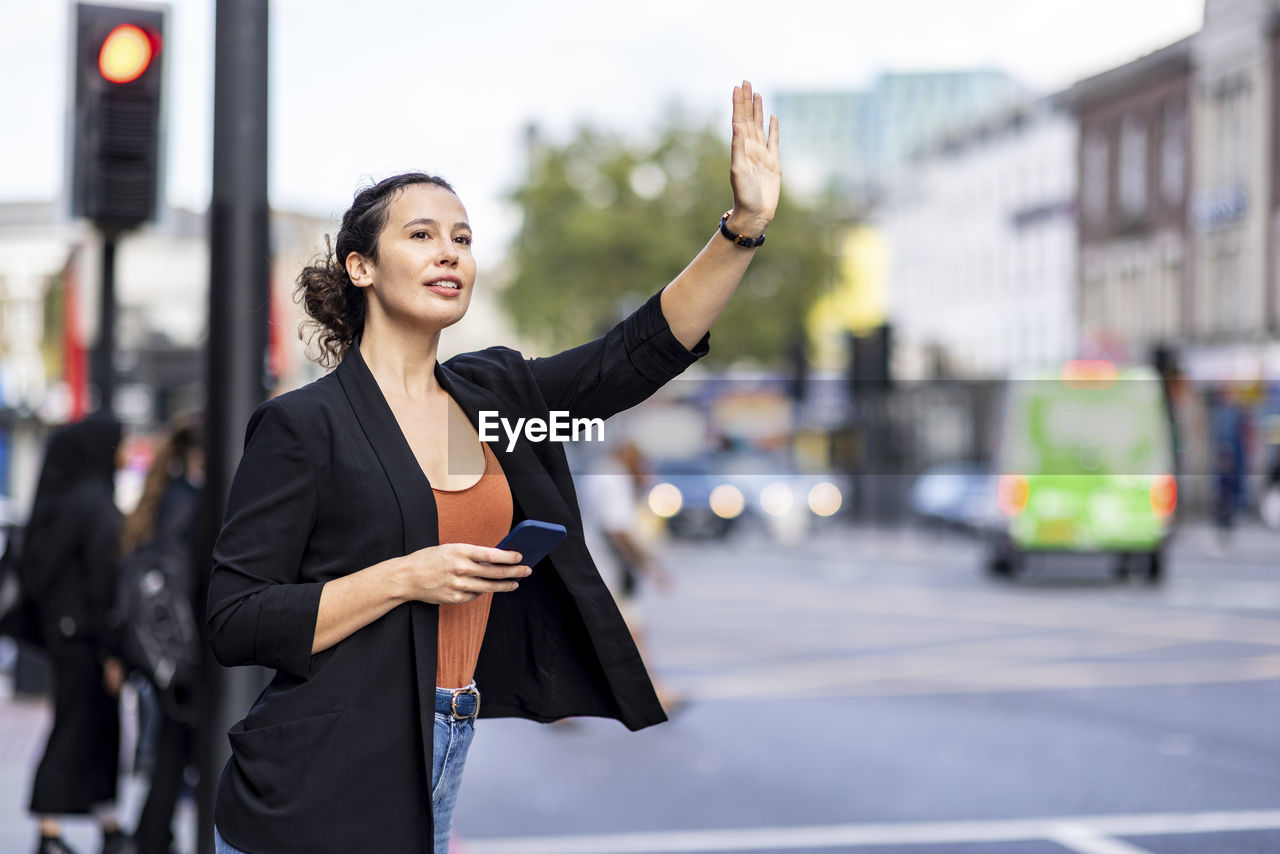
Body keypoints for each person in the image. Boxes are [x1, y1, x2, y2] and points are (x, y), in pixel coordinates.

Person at [206, 81, 780, 854]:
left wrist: (741, 228)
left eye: (465, 238)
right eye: (421, 235)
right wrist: (407, 576)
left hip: (442, 741)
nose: (450, 251)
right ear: (361, 268)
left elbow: (633, 355)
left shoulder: (495, 396)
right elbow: (235, 620)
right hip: (316, 777)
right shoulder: (306, 426)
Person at [22, 415, 134, 854]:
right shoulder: (91, 504)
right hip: (85, 639)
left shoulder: (64, 501)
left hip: (67, 634)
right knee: (76, 728)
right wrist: (112, 649)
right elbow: (102, 581)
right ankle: (49, 830)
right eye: (120, 445)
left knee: (95, 729)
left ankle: (106, 822)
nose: (126, 454)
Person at [119, 416, 204, 854]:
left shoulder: (163, 496)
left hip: (162, 649)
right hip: (188, 647)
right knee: (181, 744)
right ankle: (154, 834)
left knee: (171, 742)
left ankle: (153, 833)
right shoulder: (192, 502)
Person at [582, 439, 684, 712]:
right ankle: (657, 695)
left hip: (601, 569)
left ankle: (657, 694)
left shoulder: (600, 471)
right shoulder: (612, 477)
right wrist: (650, 566)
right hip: (607, 571)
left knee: (610, 634)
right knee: (632, 633)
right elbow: (619, 529)